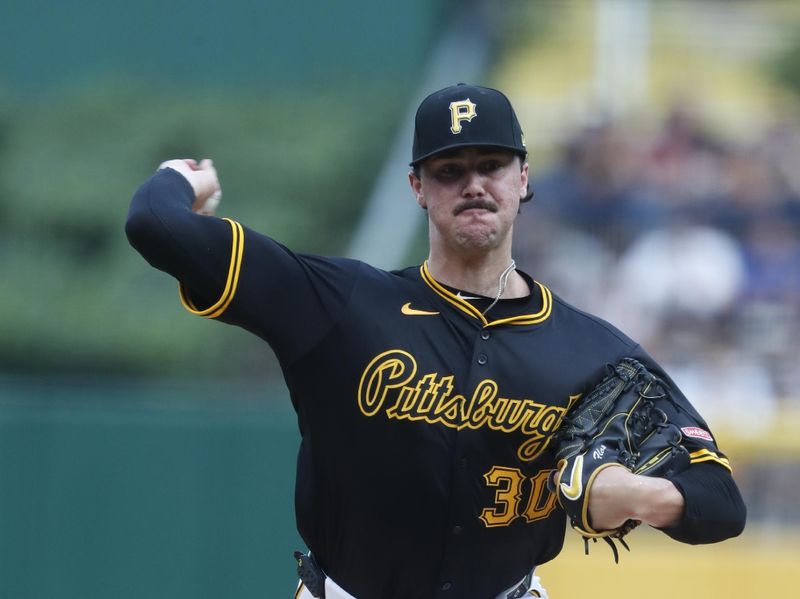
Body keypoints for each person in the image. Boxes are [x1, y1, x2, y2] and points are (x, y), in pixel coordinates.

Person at [125, 83, 746, 599]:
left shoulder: (594, 353)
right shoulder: (338, 305)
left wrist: (635, 493)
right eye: (449, 171)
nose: (473, 184)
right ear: (417, 187)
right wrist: (180, 177)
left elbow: (721, 500)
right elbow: (155, 225)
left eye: (491, 165)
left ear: (523, 177)